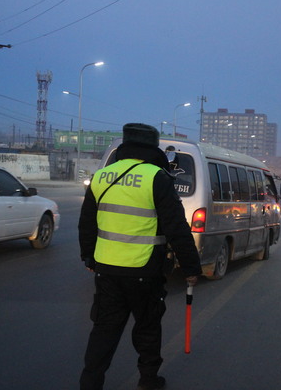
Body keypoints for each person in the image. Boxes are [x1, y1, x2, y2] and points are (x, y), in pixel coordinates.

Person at [78, 123, 201, 390]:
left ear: (125, 146)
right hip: (144, 271)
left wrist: (89, 256)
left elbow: (87, 221)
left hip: (107, 270)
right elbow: (176, 227)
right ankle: (148, 380)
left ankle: (89, 384)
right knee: (147, 329)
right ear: (152, 148)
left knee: (104, 331)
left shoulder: (102, 176)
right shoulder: (157, 177)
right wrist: (191, 267)